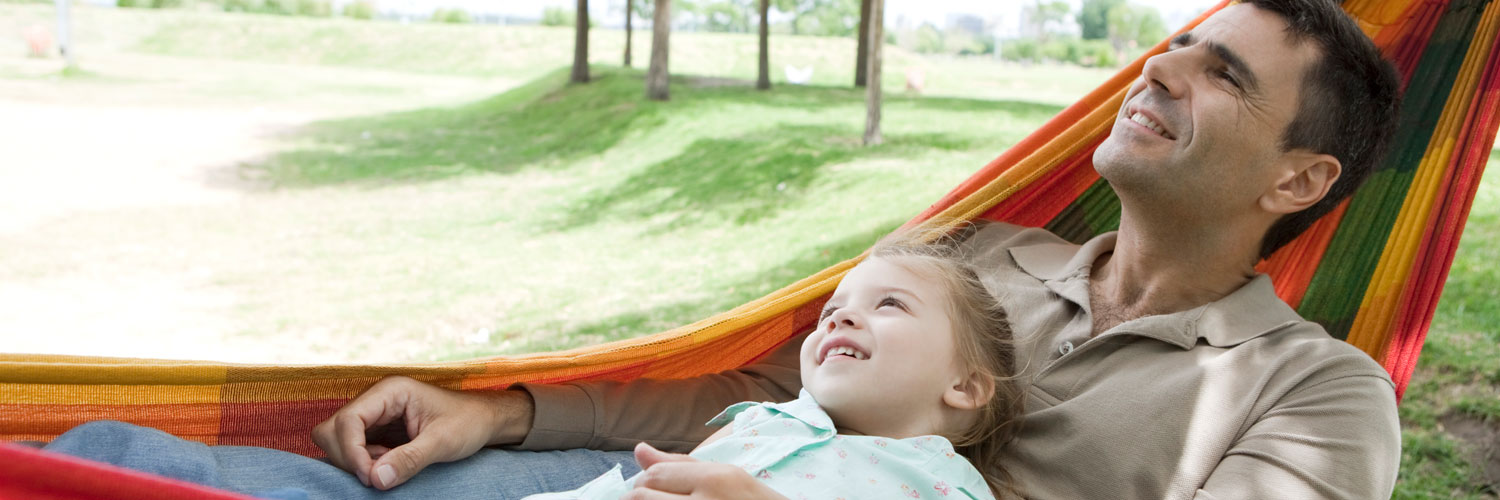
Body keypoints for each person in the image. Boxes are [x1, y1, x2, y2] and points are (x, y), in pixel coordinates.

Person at [42, 0, 1405, 498]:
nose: (1161, 63)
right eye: (1174, 39)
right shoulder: (974, 253)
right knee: (251, 478)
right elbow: (757, 396)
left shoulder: (1312, 393)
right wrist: (498, 410)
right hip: (692, 475)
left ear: (1301, 174)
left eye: (1218, 72)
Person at [524, 227, 1023, 499]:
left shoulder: (941, 483)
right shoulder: (759, 418)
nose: (840, 316)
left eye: (890, 303)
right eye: (830, 311)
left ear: (966, 386)